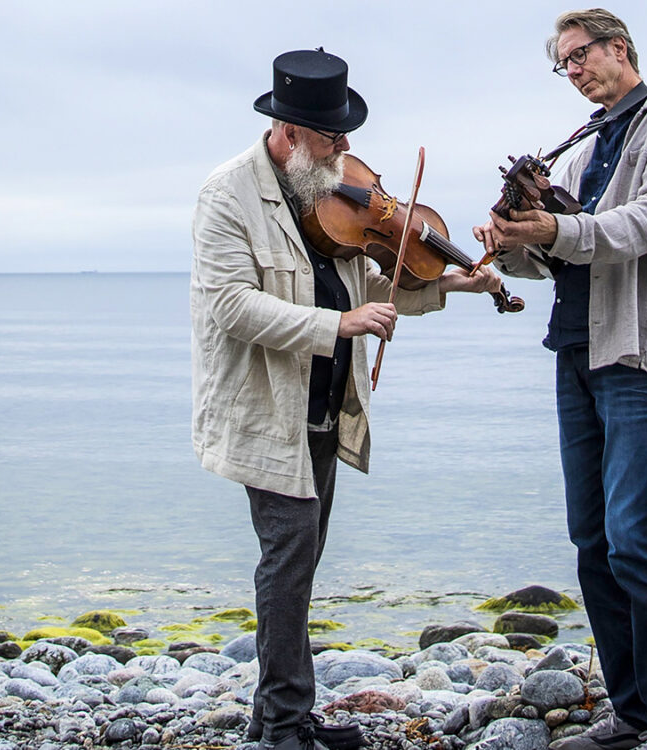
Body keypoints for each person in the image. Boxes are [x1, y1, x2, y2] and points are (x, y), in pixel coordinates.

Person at [191, 48, 501, 750]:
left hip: (327, 408)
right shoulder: (228, 193)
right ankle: (285, 729)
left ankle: (277, 721)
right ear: (290, 133)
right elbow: (231, 307)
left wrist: (455, 282)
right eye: (334, 137)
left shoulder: (323, 189)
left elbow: (375, 278)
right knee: (287, 564)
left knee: (299, 565)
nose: (348, 150)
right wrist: (337, 326)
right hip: (269, 413)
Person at [472, 9, 647, 750]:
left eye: (580, 57)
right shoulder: (586, 144)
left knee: (636, 539)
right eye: (564, 64)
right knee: (592, 542)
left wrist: (552, 230)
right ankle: (635, 711)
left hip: (639, 353)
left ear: (620, 49)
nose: (574, 71)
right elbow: (552, 258)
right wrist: (510, 237)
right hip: (575, 350)